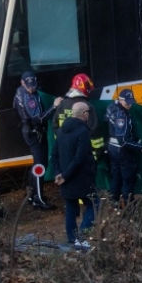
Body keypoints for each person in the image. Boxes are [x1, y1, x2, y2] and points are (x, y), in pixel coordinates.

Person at [52, 101, 97, 249]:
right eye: (88, 113)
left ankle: (72, 240)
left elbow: (54, 155)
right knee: (94, 205)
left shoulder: (61, 131)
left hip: (66, 180)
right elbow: (80, 158)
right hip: (82, 179)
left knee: (71, 208)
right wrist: (65, 175)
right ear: (84, 114)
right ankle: (82, 237)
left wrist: (58, 173)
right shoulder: (82, 131)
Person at [14, 71, 58, 210]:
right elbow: (39, 119)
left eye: (33, 85)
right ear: (23, 83)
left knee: (38, 164)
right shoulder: (29, 98)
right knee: (40, 166)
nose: (32, 89)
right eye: (29, 86)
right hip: (34, 133)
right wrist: (54, 106)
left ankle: (33, 195)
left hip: (30, 131)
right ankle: (38, 199)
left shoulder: (21, 91)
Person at [105, 89, 142, 206]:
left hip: (112, 149)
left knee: (116, 177)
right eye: (127, 102)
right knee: (128, 180)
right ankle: (128, 207)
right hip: (122, 152)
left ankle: (114, 204)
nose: (130, 105)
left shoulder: (111, 108)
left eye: (131, 102)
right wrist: (140, 147)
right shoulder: (122, 116)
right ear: (120, 100)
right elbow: (123, 140)